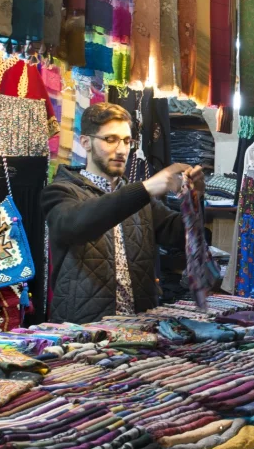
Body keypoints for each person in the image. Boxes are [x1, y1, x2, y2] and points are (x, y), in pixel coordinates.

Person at [42, 103, 206, 324]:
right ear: (85, 142)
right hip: (83, 330)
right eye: (110, 140)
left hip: (139, 328)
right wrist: (145, 189)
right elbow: (75, 226)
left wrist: (194, 200)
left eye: (127, 141)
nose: (121, 150)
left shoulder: (138, 199)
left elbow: (180, 236)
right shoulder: (60, 192)